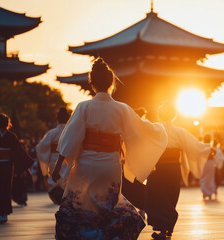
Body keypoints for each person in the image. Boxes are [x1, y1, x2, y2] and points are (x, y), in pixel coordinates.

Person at [51, 58, 168, 240]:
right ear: (112, 83)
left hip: (86, 165)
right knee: (107, 205)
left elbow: (71, 138)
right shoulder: (122, 109)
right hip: (109, 165)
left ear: (92, 84)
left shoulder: (84, 107)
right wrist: (159, 130)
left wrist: (58, 166)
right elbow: (140, 129)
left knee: (81, 205)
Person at [145, 101, 212, 239]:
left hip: (157, 168)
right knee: (170, 196)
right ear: (174, 116)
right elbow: (195, 146)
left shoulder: (154, 128)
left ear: (159, 115)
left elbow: (143, 143)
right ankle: (168, 227)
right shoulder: (179, 131)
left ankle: (163, 229)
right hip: (173, 168)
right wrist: (208, 150)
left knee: (157, 196)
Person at [0, 114, 35, 223]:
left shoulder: (10, 136)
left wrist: (27, 160)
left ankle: (4, 213)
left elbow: (19, 150)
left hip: (6, 166)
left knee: (5, 189)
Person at [36, 107, 71, 204]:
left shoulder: (52, 133)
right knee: (67, 179)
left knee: (55, 180)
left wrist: (46, 157)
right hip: (69, 159)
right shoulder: (71, 132)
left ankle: (58, 197)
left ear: (57, 119)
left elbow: (40, 148)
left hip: (54, 159)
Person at [121, 107, 148, 218]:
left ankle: (135, 207)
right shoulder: (145, 127)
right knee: (138, 184)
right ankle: (142, 207)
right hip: (138, 160)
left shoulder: (127, 128)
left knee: (128, 185)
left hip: (128, 161)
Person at [200, 135, 224, 200]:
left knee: (205, 178)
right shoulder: (210, 148)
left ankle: (207, 192)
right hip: (210, 163)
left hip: (206, 163)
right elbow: (215, 153)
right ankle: (210, 192)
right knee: (210, 178)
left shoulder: (202, 147)